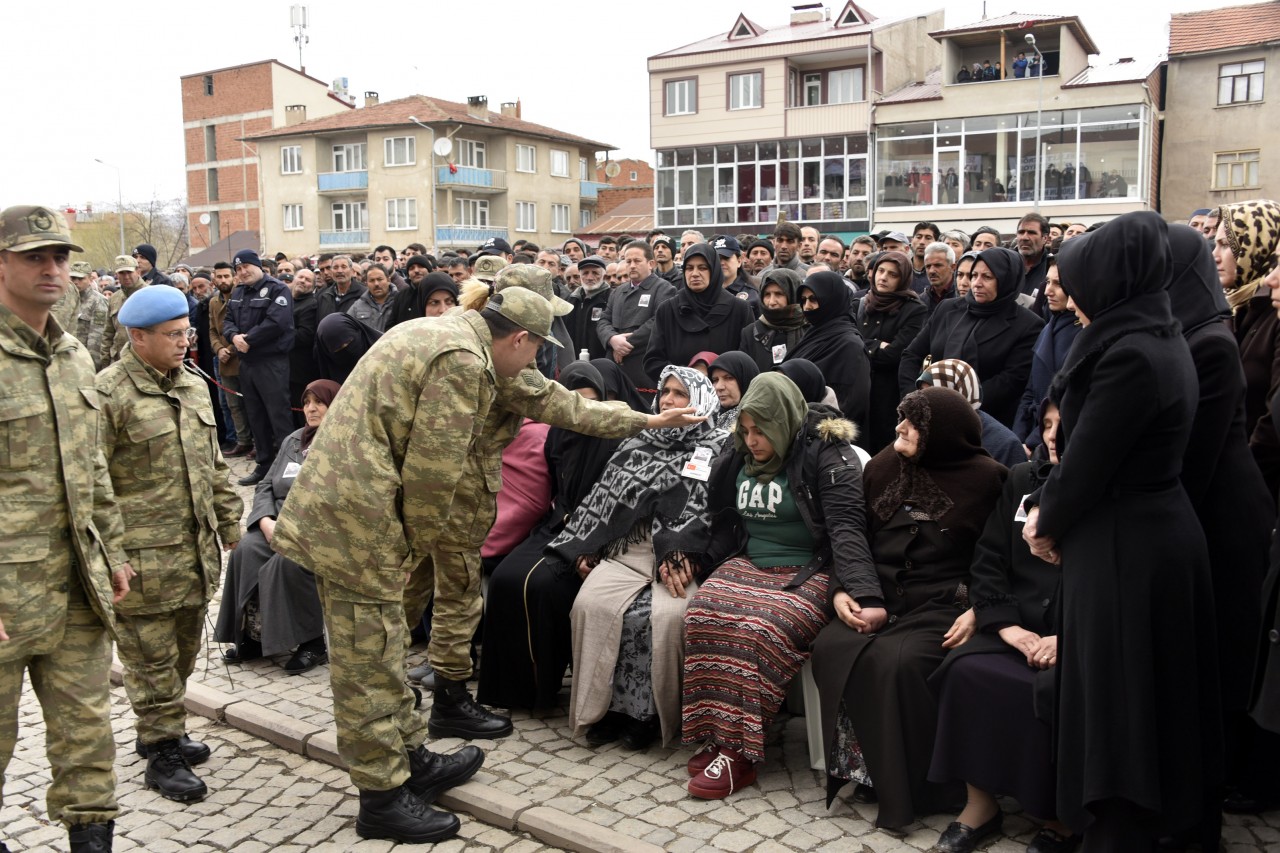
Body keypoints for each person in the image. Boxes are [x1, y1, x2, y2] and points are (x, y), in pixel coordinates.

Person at [269, 289, 704, 843]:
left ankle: (408, 758)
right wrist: (417, 552)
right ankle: (381, 795)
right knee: (368, 659)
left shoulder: (465, 338)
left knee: (385, 646)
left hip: (374, 511)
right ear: (517, 338)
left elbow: (561, 404)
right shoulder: (460, 363)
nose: (542, 362)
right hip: (357, 522)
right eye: (538, 349)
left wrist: (646, 420)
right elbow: (432, 474)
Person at [1022, 211, 1222, 849]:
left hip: (1124, 548)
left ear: (1113, 280)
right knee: (1151, 692)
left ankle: (1123, 828)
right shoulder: (1155, 332)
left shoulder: (1130, 353)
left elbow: (1085, 466)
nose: (1073, 296)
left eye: (1082, 281)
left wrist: (1043, 523)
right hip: (1146, 535)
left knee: (1121, 697)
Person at [811, 386, 1006, 831]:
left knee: (898, 661)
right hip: (878, 594)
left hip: (946, 603)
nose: (899, 427)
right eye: (900, 416)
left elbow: (998, 558)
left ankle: (924, 786)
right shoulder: (882, 466)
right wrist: (843, 591)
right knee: (832, 645)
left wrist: (980, 608)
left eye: (913, 422)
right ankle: (869, 772)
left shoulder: (988, 479)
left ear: (943, 433)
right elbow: (852, 538)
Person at [0, 206, 134, 853]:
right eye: (34, 257)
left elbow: (95, 466)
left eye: (59, 256)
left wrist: (115, 550)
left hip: (78, 584)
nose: (53, 269)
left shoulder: (75, 354)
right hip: (5, 590)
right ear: (2, 263)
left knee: (88, 734)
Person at [682, 374, 874, 799]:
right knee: (700, 614)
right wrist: (687, 552)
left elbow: (847, 531)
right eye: (745, 430)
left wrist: (856, 590)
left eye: (761, 430)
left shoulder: (825, 454)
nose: (752, 440)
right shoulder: (736, 457)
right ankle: (718, 734)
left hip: (809, 569)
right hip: (752, 562)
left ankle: (740, 755)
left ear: (784, 421)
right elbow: (717, 517)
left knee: (760, 629)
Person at [96, 285, 243, 804]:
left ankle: (167, 729)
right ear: (138, 337)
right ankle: (161, 751)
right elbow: (93, 486)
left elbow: (214, 466)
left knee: (181, 653)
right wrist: (112, 557)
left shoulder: (192, 385)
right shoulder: (108, 394)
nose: (185, 342)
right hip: (140, 561)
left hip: (192, 554)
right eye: (173, 335)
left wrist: (230, 523)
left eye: (186, 331)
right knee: (149, 660)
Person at [927, 400, 1074, 853]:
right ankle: (980, 803)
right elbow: (988, 558)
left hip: (1076, 630)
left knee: (1046, 691)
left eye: (1063, 426)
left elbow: (1114, 582)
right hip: (1015, 620)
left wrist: (1066, 639)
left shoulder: (1105, 492)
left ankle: (1058, 816)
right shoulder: (1023, 479)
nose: (1051, 435)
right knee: (964, 670)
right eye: (1045, 425)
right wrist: (1006, 626)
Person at [562, 366, 730, 751]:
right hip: (628, 552)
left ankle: (648, 716)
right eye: (665, 392)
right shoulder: (637, 440)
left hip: (681, 560)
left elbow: (716, 515)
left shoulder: (721, 446)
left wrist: (687, 555)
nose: (669, 400)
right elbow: (604, 499)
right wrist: (591, 545)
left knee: (665, 619)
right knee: (590, 606)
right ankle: (606, 711)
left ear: (701, 401)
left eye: (680, 394)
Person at [1168, 223, 1274, 829]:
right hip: (1211, 510)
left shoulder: (1211, 341)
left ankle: (1234, 770)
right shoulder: (1207, 325)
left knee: (1231, 647)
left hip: (1226, 519)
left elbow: (1196, 460)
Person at [477, 361, 650, 711]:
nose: (583, 416)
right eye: (575, 404)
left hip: (602, 537)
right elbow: (555, 489)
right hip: (559, 523)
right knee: (505, 578)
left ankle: (542, 688)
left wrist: (594, 545)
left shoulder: (621, 438)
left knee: (542, 588)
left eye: (589, 402)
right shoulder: (559, 433)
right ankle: (507, 690)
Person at [216, 380, 340, 674]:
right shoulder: (293, 441)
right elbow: (266, 485)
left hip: (315, 532)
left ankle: (312, 643)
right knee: (244, 551)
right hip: (276, 522)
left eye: (319, 403)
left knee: (285, 564)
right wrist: (264, 521)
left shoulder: (341, 445)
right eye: (307, 402)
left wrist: (294, 530)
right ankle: (253, 637)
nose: (311, 408)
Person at [899, 247, 1044, 428]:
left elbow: (1010, 381)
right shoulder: (947, 309)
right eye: (974, 275)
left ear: (1007, 280)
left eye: (988, 277)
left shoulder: (1028, 325)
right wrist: (914, 398)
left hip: (983, 423)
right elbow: (912, 354)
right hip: (928, 415)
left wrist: (956, 407)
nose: (976, 283)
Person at [1214, 200, 1280, 498]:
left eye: (1227, 245)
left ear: (1257, 245)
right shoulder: (1231, 307)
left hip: (1260, 486)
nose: (1215, 256)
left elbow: (1270, 417)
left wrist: (1240, 475)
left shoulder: (1274, 312)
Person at [223, 250, 295, 486]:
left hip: (271, 362)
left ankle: (288, 468)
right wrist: (234, 337)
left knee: (278, 416)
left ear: (258, 266)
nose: (243, 272)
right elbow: (228, 321)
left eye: (246, 266)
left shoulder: (277, 289)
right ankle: (264, 466)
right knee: (256, 416)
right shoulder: (238, 292)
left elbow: (277, 322)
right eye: (238, 269)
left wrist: (248, 339)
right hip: (248, 364)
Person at [643, 242, 754, 385]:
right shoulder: (668, 310)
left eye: (702, 268)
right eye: (689, 268)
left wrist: (718, 378)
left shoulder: (739, 309)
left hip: (726, 397)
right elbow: (653, 361)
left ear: (714, 270)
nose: (695, 274)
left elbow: (748, 360)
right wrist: (688, 377)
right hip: (680, 396)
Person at [856, 251, 926, 452]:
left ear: (903, 278)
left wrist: (866, 345)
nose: (883, 277)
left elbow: (895, 355)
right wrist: (878, 345)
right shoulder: (861, 302)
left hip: (888, 394)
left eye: (892, 274)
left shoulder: (914, 309)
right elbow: (850, 344)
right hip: (861, 390)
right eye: (881, 270)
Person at [785, 271, 871, 434]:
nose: (807, 306)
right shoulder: (813, 333)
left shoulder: (850, 345)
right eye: (803, 300)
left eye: (814, 299)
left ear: (832, 300)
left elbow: (851, 404)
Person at [1013, 257, 1080, 451]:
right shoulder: (1051, 325)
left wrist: (1034, 442)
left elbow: (1063, 398)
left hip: (1054, 438)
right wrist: (1018, 438)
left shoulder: (1083, 331)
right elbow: (1030, 390)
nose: (1048, 290)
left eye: (1058, 284)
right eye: (1047, 282)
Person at [598, 241, 676, 393]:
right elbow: (603, 320)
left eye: (637, 261)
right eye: (628, 261)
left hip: (643, 368)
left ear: (651, 263)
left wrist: (624, 344)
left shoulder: (664, 289)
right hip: (615, 367)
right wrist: (612, 339)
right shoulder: (618, 291)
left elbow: (658, 321)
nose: (632, 265)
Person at [739, 268, 807, 373]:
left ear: (793, 295)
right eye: (767, 295)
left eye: (779, 294)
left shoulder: (809, 329)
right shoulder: (750, 333)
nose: (771, 302)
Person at [315, 312, 380, 384]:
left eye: (350, 342)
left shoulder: (387, 350)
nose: (347, 350)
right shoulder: (324, 387)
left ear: (357, 330)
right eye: (339, 349)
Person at [707, 351, 759, 430]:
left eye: (729, 378)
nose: (718, 387)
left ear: (745, 379)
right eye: (715, 380)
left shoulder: (761, 422)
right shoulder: (706, 419)